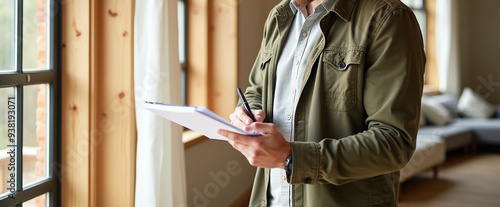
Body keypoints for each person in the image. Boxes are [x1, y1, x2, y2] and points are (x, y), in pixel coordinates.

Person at [217, 0, 425, 206]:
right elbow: (258, 89)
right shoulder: (279, 16)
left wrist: (292, 158)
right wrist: (248, 111)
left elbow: (394, 141)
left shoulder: (389, 17)